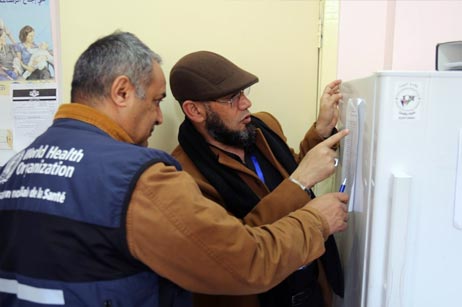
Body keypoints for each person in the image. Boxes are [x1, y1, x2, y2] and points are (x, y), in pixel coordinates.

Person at [0, 31, 348, 306]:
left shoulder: (14, 167)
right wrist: (316, 220)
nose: (158, 117)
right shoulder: (140, 179)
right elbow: (241, 259)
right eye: (154, 101)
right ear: (121, 92)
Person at [170, 50, 345, 307]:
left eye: (244, 93)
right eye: (232, 98)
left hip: (311, 285)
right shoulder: (183, 176)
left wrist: (320, 131)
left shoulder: (262, 127)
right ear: (195, 110)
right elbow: (236, 246)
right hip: (263, 299)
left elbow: (285, 175)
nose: (246, 104)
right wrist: (301, 181)